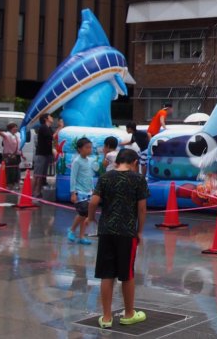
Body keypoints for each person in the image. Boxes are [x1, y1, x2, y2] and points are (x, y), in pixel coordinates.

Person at [87, 149, 149, 329]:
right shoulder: (138, 179)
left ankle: (106, 317)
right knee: (127, 274)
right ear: (135, 163)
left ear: (117, 161)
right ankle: (129, 314)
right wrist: (139, 231)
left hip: (106, 231)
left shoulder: (105, 178)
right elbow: (142, 209)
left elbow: (93, 202)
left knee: (107, 274)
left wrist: (91, 218)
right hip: (127, 232)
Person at [68, 137, 94, 245]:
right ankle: (72, 230)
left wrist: (92, 189)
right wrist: (73, 193)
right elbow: (73, 177)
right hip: (80, 192)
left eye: (90, 147)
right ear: (79, 149)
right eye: (87, 147)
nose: (89, 150)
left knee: (86, 215)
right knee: (82, 213)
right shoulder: (77, 161)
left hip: (88, 192)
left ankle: (82, 236)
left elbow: (90, 176)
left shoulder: (89, 161)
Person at [33, 113, 55, 198]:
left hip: (46, 154)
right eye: (50, 116)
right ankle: (32, 192)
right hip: (41, 154)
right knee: (37, 174)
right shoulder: (43, 127)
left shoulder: (49, 128)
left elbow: (52, 138)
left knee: (42, 175)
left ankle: (38, 192)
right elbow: (52, 138)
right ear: (46, 119)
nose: (52, 117)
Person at [0, 122, 23, 187]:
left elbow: (19, 145)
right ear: (10, 129)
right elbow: (3, 135)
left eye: (16, 127)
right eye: (14, 127)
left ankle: (15, 182)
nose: (16, 128)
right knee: (9, 171)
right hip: (8, 156)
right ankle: (9, 183)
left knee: (15, 170)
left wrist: (22, 154)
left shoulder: (17, 135)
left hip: (16, 156)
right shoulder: (8, 134)